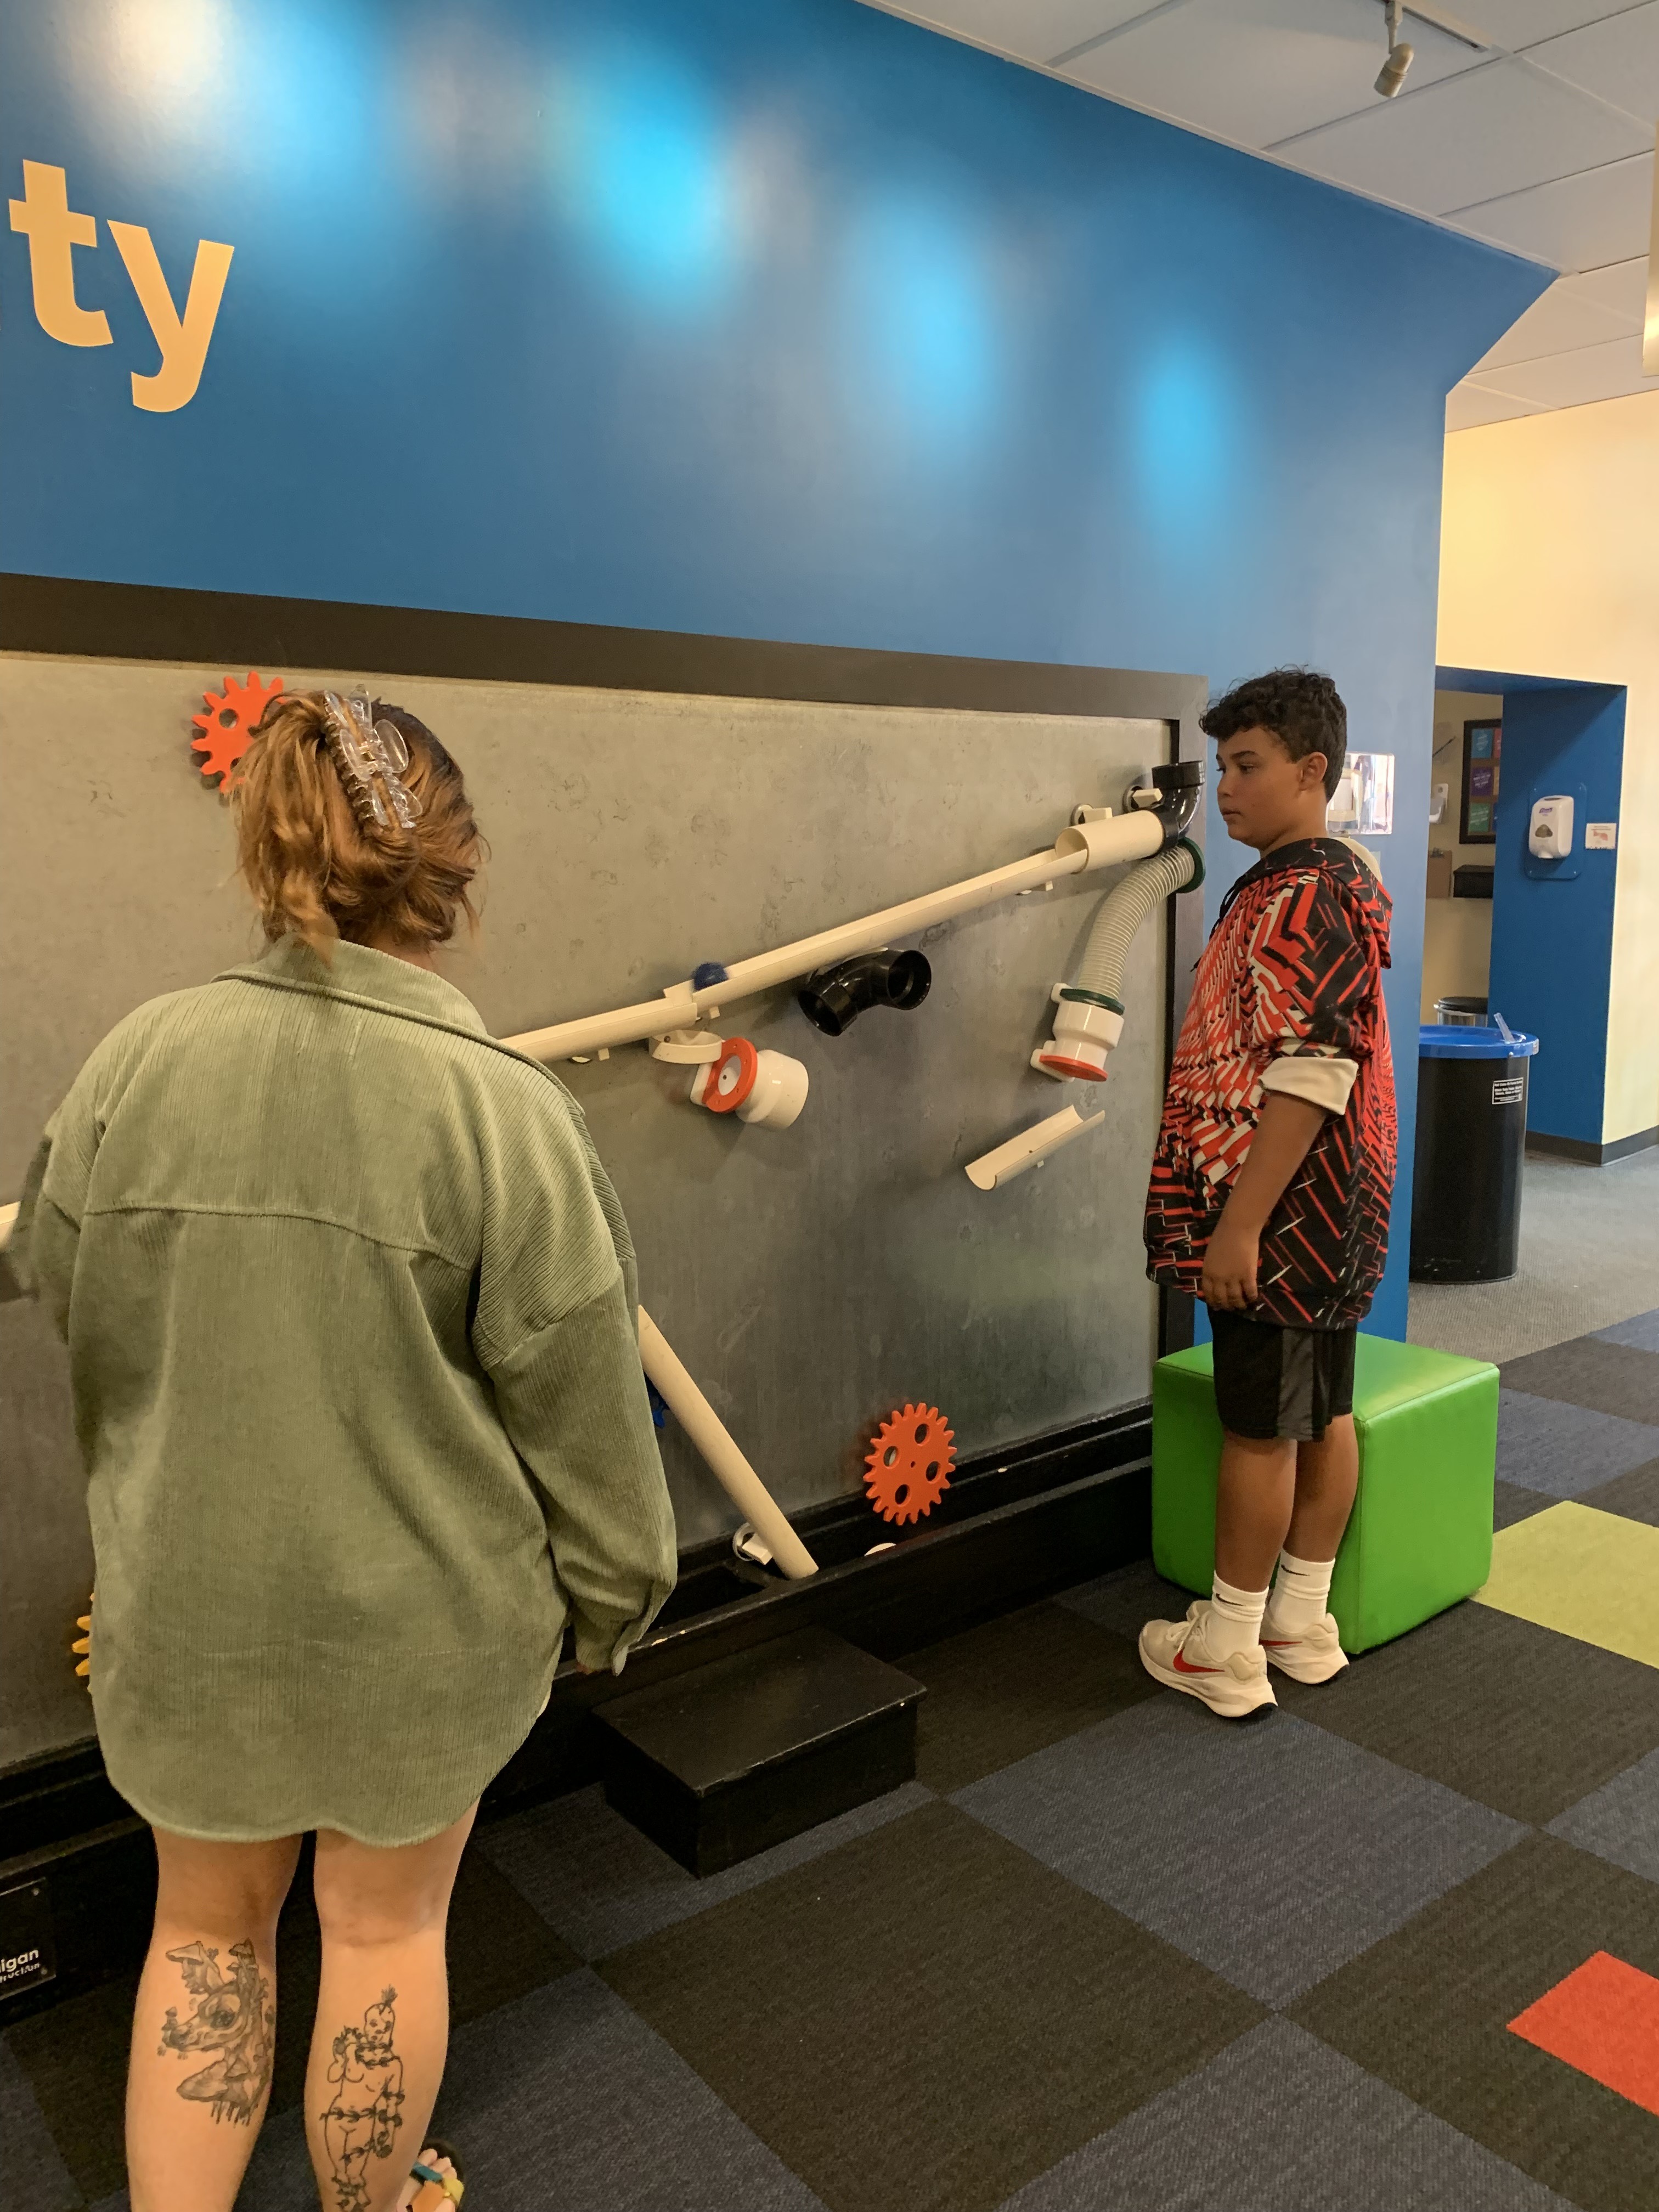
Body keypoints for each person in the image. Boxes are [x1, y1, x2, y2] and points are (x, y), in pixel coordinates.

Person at [13, 691, 678, 2211]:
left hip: (187, 1614)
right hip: (422, 1633)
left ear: (264, 849)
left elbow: (59, 1273)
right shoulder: (508, 1114)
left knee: (201, 1935)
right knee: (383, 1934)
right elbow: (585, 1413)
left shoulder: (135, 1062)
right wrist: (618, 1599)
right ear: (457, 867)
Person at [1138, 669, 1397, 1719]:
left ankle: (1230, 1648)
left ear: (1312, 771)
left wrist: (1240, 1224)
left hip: (1281, 1216)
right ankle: (1299, 1618)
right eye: (1222, 766)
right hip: (1326, 1216)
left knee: (1260, 1427)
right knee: (1322, 1410)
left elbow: (1315, 1066)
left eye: (1247, 766)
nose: (1228, 788)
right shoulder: (1320, 882)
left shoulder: (1304, 891)